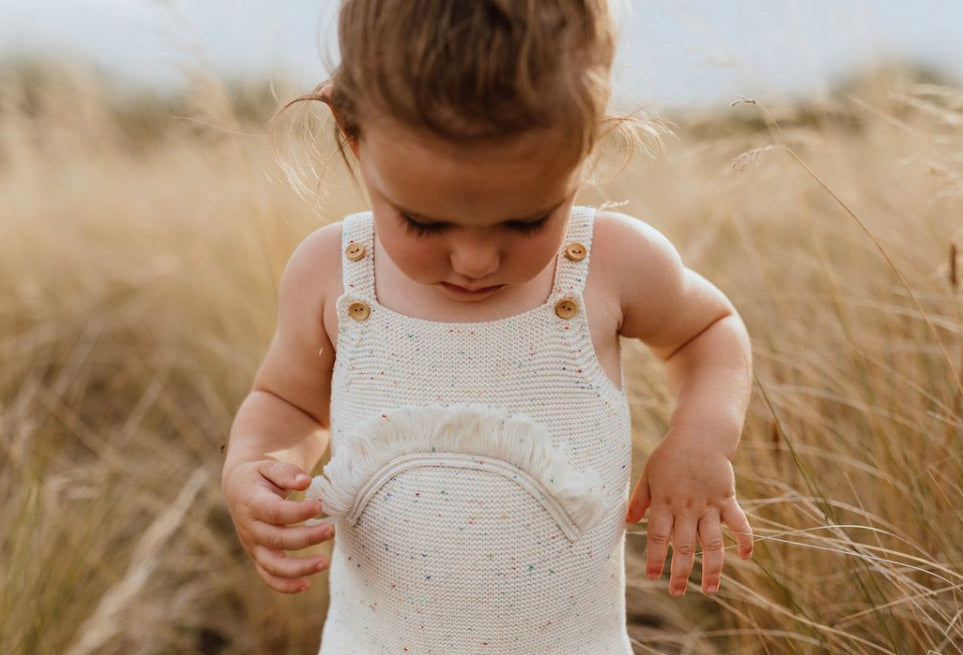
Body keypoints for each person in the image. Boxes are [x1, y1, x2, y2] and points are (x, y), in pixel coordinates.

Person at [222, 0, 754, 652]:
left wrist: (700, 439)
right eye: (423, 222)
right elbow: (286, 403)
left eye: (526, 221)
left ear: (584, 145)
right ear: (353, 134)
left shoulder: (611, 265)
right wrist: (257, 467)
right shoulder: (332, 275)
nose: (474, 260)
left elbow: (709, 332)